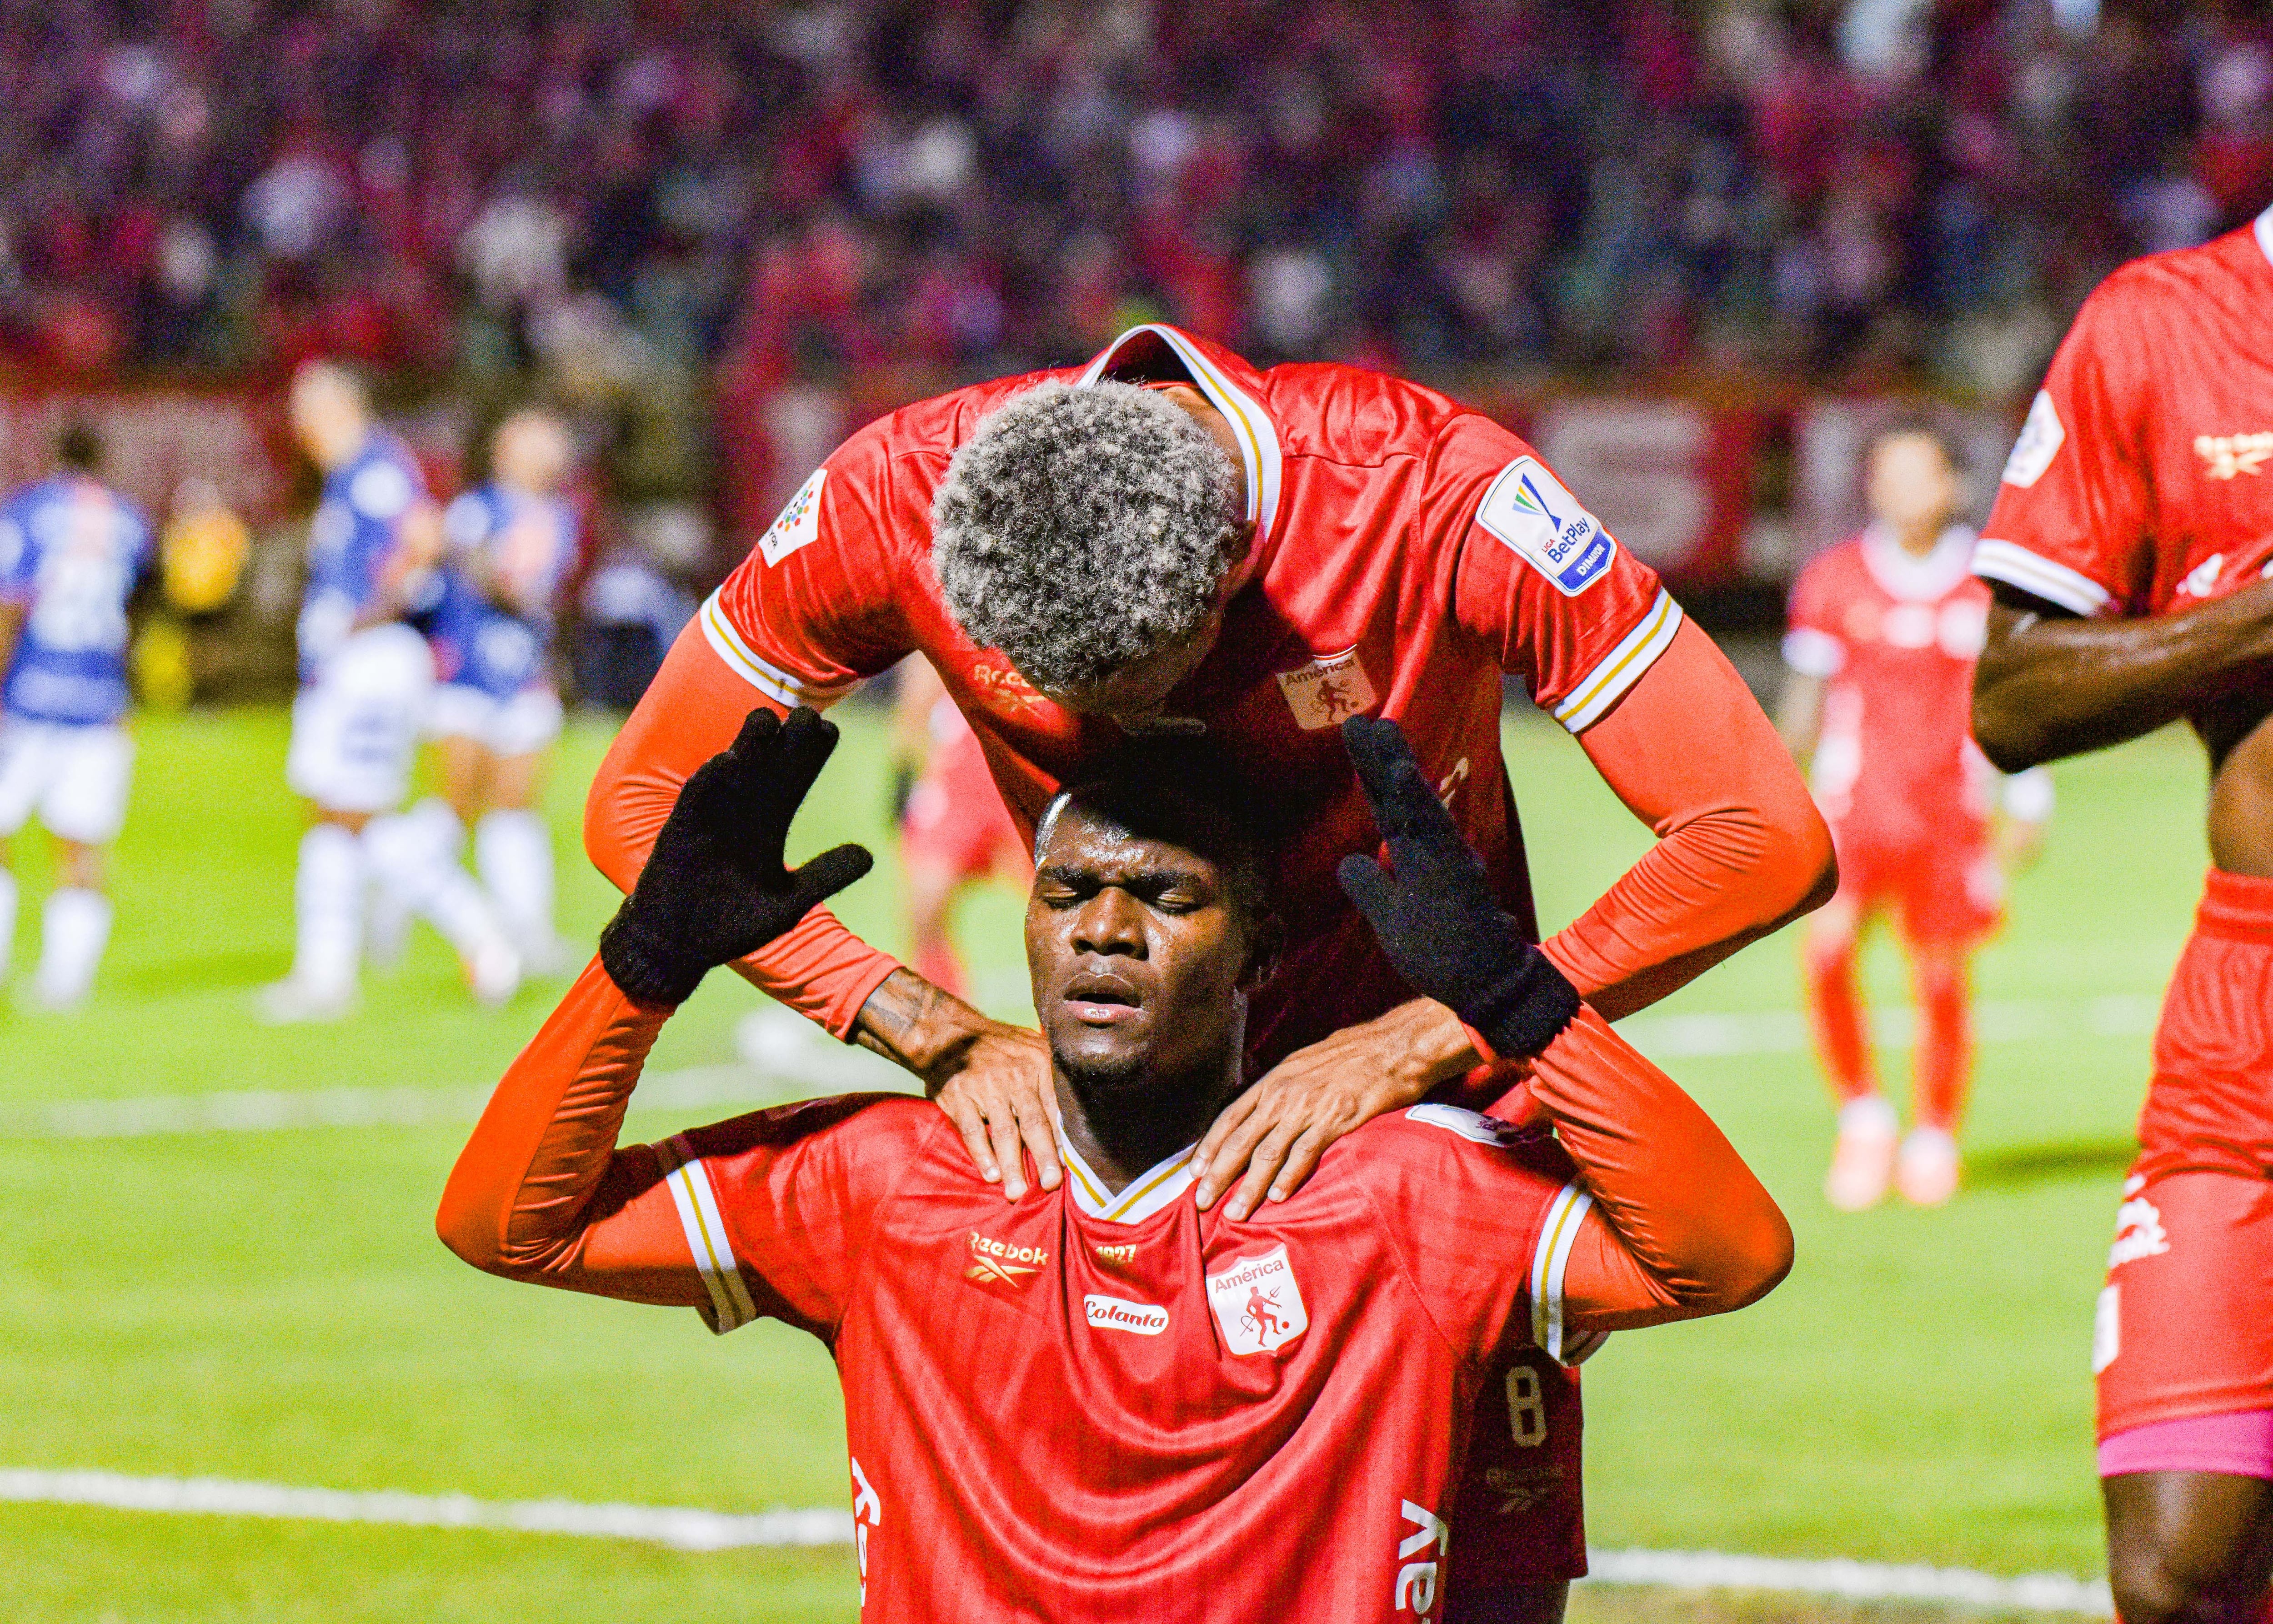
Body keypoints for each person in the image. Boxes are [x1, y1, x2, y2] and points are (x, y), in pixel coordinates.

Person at [583, 324, 1833, 1618]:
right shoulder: (895, 490)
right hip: (1134, 1129)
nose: (1109, 734)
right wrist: (916, 1019)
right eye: (1049, 699)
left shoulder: (1431, 489)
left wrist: (1430, 1036)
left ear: (1235, 568)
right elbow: (642, 804)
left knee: (1481, 1582)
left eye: (1131, 687)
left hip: (1429, 1136)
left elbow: (1759, 835)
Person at [441, 707, 1792, 1621]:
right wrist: (643, 963)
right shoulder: (893, 1179)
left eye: (1163, 896)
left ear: (1259, 950)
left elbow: (1727, 1252)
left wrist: (1512, 1000)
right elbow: (509, 1225)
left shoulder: (1393, 1196)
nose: (1102, 929)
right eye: (1066, 890)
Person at [1969, 201, 2273, 1624]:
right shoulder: (2162, 323)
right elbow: (2011, 697)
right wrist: (2254, 619)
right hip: (2247, 1007)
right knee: (2175, 1568)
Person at [1778, 424, 2053, 1210]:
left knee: (1939, 978)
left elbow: (2016, 700)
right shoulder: (1834, 581)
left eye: (1919, 474)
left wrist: (2029, 796)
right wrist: (1776, 799)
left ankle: (1934, 1134)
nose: (1902, 491)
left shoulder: (1990, 584)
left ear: (1952, 486)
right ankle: (1864, 1118)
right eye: (1887, 475)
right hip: (1855, 810)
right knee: (1826, 955)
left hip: (1949, 817)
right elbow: (1804, 706)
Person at [257, 361, 520, 1023]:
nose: (299, 426)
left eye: (308, 409)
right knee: (331, 816)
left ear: (342, 408)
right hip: (350, 663)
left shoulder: (374, 469)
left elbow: (424, 539)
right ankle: (327, 973)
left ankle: (478, 931)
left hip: (369, 662)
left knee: (353, 816)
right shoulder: (351, 477)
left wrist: (365, 615)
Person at [415, 407, 581, 974]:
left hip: (523, 673)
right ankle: (412, 893)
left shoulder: (558, 517)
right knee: (456, 803)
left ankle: (525, 931)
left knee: (515, 806)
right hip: (467, 674)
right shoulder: (475, 508)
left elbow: (525, 586)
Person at [0, 423, 154, 1010]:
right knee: (81, 845)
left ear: (51, 457)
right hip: (98, 700)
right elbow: (137, 613)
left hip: (32, 696)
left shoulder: (29, 513)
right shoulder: (130, 521)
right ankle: (65, 983)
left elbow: (12, 605)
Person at [891, 652, 1030, 1002]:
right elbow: (920, 675)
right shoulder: (950, 608)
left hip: (1021, 772)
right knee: (924, 909)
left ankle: (1072, 1033)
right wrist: (904, 772)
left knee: (1061, 912)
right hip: (957, 780)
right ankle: (943, 1027)